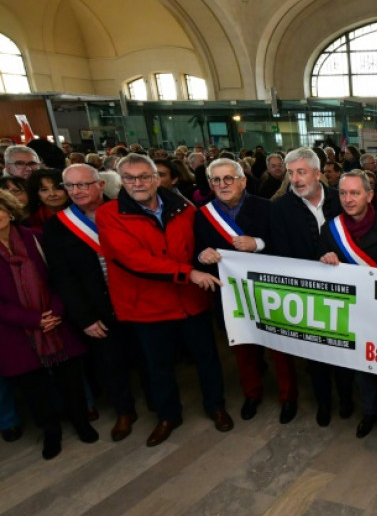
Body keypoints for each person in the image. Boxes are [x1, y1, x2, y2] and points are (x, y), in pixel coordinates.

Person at [96, 153, 233, 447]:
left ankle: (216, 407)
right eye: (130, 178)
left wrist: (204, 255)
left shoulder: (183, 207)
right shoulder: (109, 214)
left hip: (190, 301)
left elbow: (197, 244)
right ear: (121, 181)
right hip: (148, 305)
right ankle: (168, 416)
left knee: (207, 358)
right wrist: (189, 272)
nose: (138, 183)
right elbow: (134, 260)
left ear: (157, 179)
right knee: (158, 366)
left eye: (144, 176)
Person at [194, 158, 299, 425]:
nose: (223, 184)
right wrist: (201, 255)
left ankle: (288, 397)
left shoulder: (267, 208)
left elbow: (286, 248)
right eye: (216, 180)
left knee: (280, 348)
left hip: (269, 291)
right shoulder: (202, 214)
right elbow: (195, 252)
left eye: (229, 178)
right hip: (231, 294)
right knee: (243, 348)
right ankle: (252, 394)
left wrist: (258, 243)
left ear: (242, 180)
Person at [43, 164, 143, 442]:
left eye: (83, 184)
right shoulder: (57, 226)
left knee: (149, 357)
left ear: (100, 185)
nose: (76, 191)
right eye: (70, 186)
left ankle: (162, 405)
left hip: (138, 300)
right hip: (98, 308)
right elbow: (63, 277)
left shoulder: (126, 209)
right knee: (110, 364)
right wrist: (84, 317)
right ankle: (125, 411)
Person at [0, 189, 97, 460]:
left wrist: (54, 311)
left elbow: (59, 277)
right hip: (16, 332)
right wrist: (33, 320)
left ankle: (81, 423)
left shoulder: (36, 239)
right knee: (34, 387)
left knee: (71, 379)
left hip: (56, 321)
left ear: (9, 211)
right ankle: (50, 431)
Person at [318, 170, 377, 439]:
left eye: (355, 193)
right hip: (351, 310)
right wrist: (324, 257)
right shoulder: (330, 229)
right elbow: (318, 268)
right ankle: (369, 412)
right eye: (343, 193)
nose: (348, 198)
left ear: (368, 195)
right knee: (360, 365)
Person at [270, 147, 350, 427]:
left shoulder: (341, 200)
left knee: (343, 349)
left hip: (343, 291)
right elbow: (281, 252)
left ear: (318, 173)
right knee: (315, 354)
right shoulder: (280, 208)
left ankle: (347, 400)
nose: (296, 179)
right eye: (291, 173)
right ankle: (324, 404)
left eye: (301, 172)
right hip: (306, 294)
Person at [25, 169, 69, 235]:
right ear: (36, 194)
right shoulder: (30, 219)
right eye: (44, 190)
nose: (52, 194)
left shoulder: (82, 212)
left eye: (58, 188)